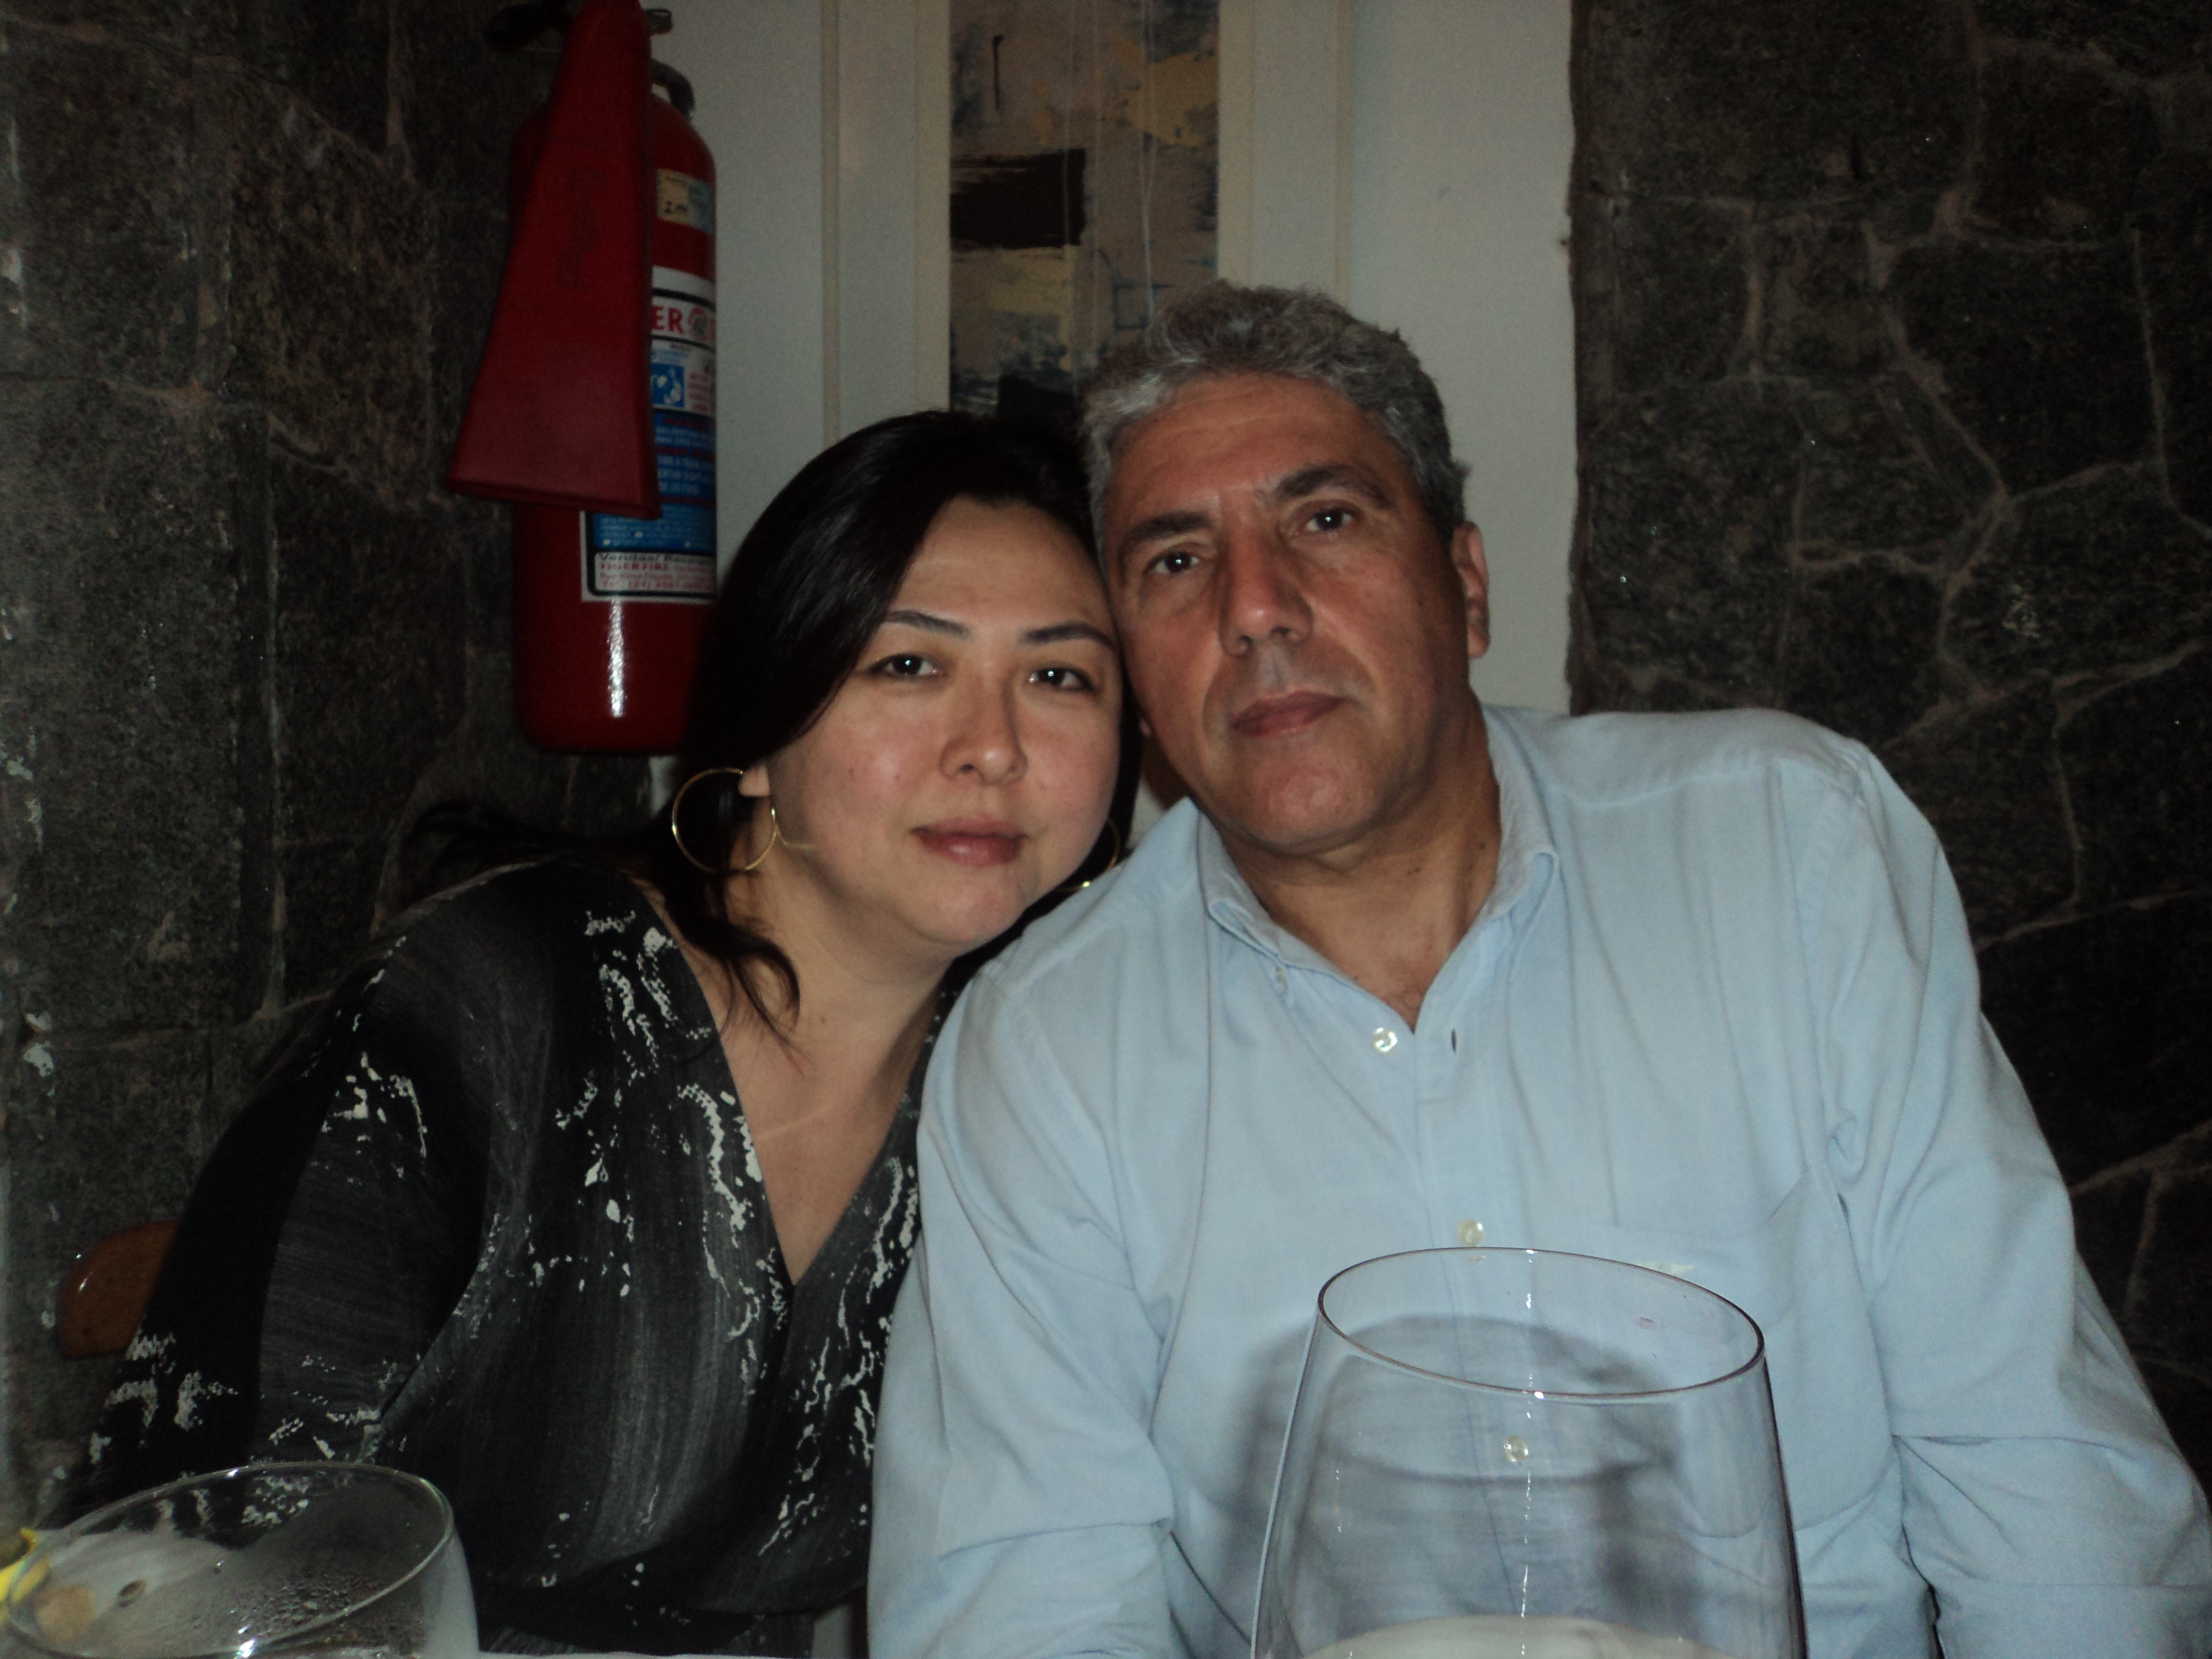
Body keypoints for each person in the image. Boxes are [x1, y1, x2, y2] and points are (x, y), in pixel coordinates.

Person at [868, 286, 2212, 1659]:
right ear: (1140, 680)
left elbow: (2034, 1460)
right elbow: (1025, 1603)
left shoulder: (1785, 845)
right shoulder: (1045, 1047)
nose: (1255, 608)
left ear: (1465, 586)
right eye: (1174, 559)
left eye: (1324, 520)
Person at [87, 412, 1128, 1656]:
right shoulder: (497, 1007)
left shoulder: (1026, 1085)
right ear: (760, 730)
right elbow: (194, 1561)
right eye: (908, 664)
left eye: (1060, 677)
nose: (994, 748)